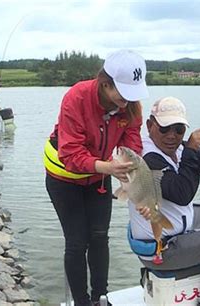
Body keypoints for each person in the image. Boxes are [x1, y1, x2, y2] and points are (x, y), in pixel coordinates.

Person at [44, 49, 149, 306]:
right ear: (105, 84)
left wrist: (130, 170)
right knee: (77, 241)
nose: (128, 100)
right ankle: (81, 302)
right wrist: (107, 167)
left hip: (100, 178)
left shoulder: (131, 106)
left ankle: (100, 297)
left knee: (100, 236)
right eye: (123, 93)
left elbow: (132, 140)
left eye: (133, 93)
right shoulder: (76, 98)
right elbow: (70, 154)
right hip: (64, 178)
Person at [128, 97, 200, 306]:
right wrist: (191, 150)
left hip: (172, 229)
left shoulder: (177, 149)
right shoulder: (147, 159)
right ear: (149, 125)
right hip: (162, 249)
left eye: (178, 129)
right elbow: (182, 193)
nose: (172, 136)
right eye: (165, 129)